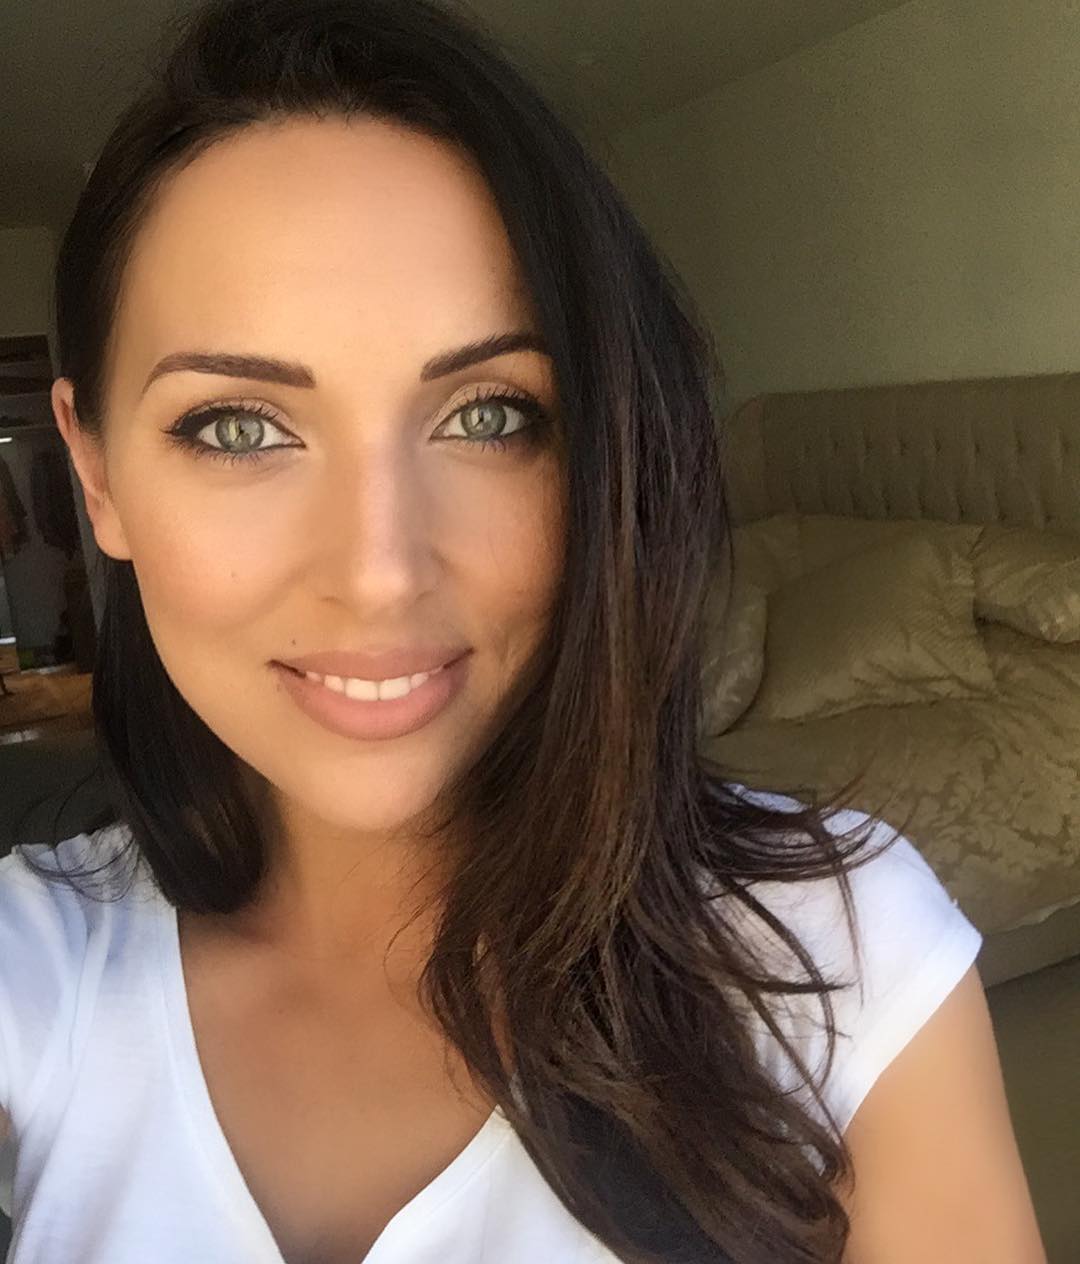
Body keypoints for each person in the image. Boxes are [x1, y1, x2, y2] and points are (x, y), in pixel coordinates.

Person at [0, 1, 1046, 1261]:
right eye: (238, 427)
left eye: (489, 414)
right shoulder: (31, 971)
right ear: (96, 475)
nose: (379, 574)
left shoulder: (841, 950)